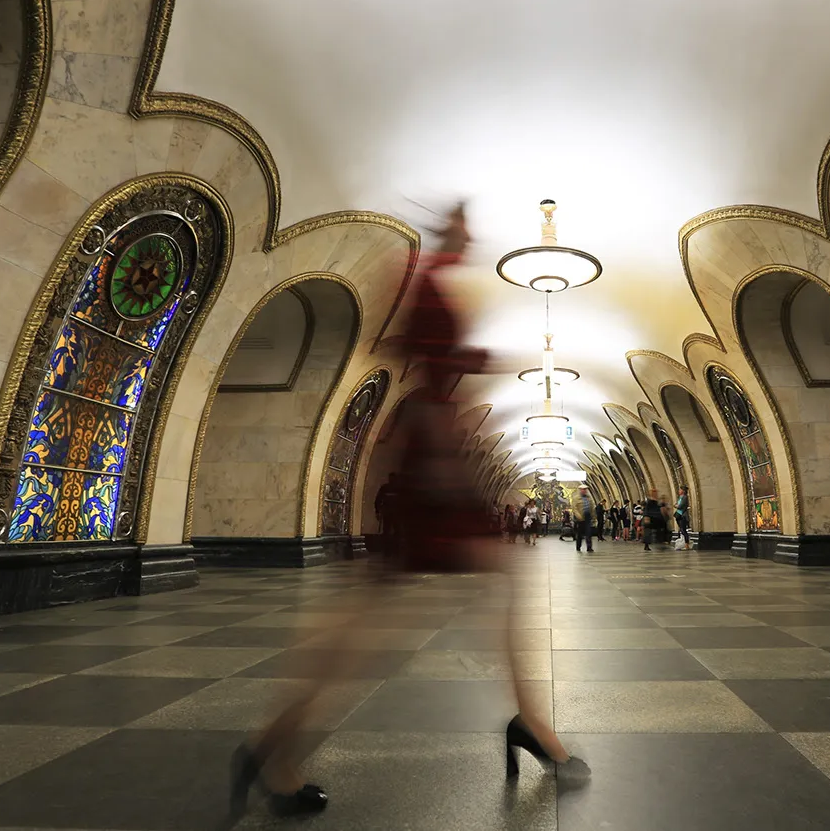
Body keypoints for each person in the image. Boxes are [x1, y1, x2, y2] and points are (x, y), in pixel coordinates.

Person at [229, 204, 586, 819]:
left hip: (434, 458)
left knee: (377, 616)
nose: (472, 233)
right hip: (436, 467)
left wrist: (473, 363)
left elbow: (428, 357)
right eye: (462, 224)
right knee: (368, 623)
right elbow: (426, 360)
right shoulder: (427, 283)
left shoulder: (432, 282)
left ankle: (273, 747)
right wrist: (451, 459)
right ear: (446, 230)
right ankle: (273, 746)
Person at [574, 486, 594, 553]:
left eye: (585, 489)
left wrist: (593, 516)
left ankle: (589, 547)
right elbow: (575, 508)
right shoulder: (576, 498)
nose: (584, 491)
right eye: (583, 489)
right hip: (580, 518)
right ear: (580, 490)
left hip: (588, 516)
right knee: (580, 533)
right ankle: (578, 546)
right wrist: (578, 516)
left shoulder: (589, 498)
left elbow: (592, 507)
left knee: (588, 532)